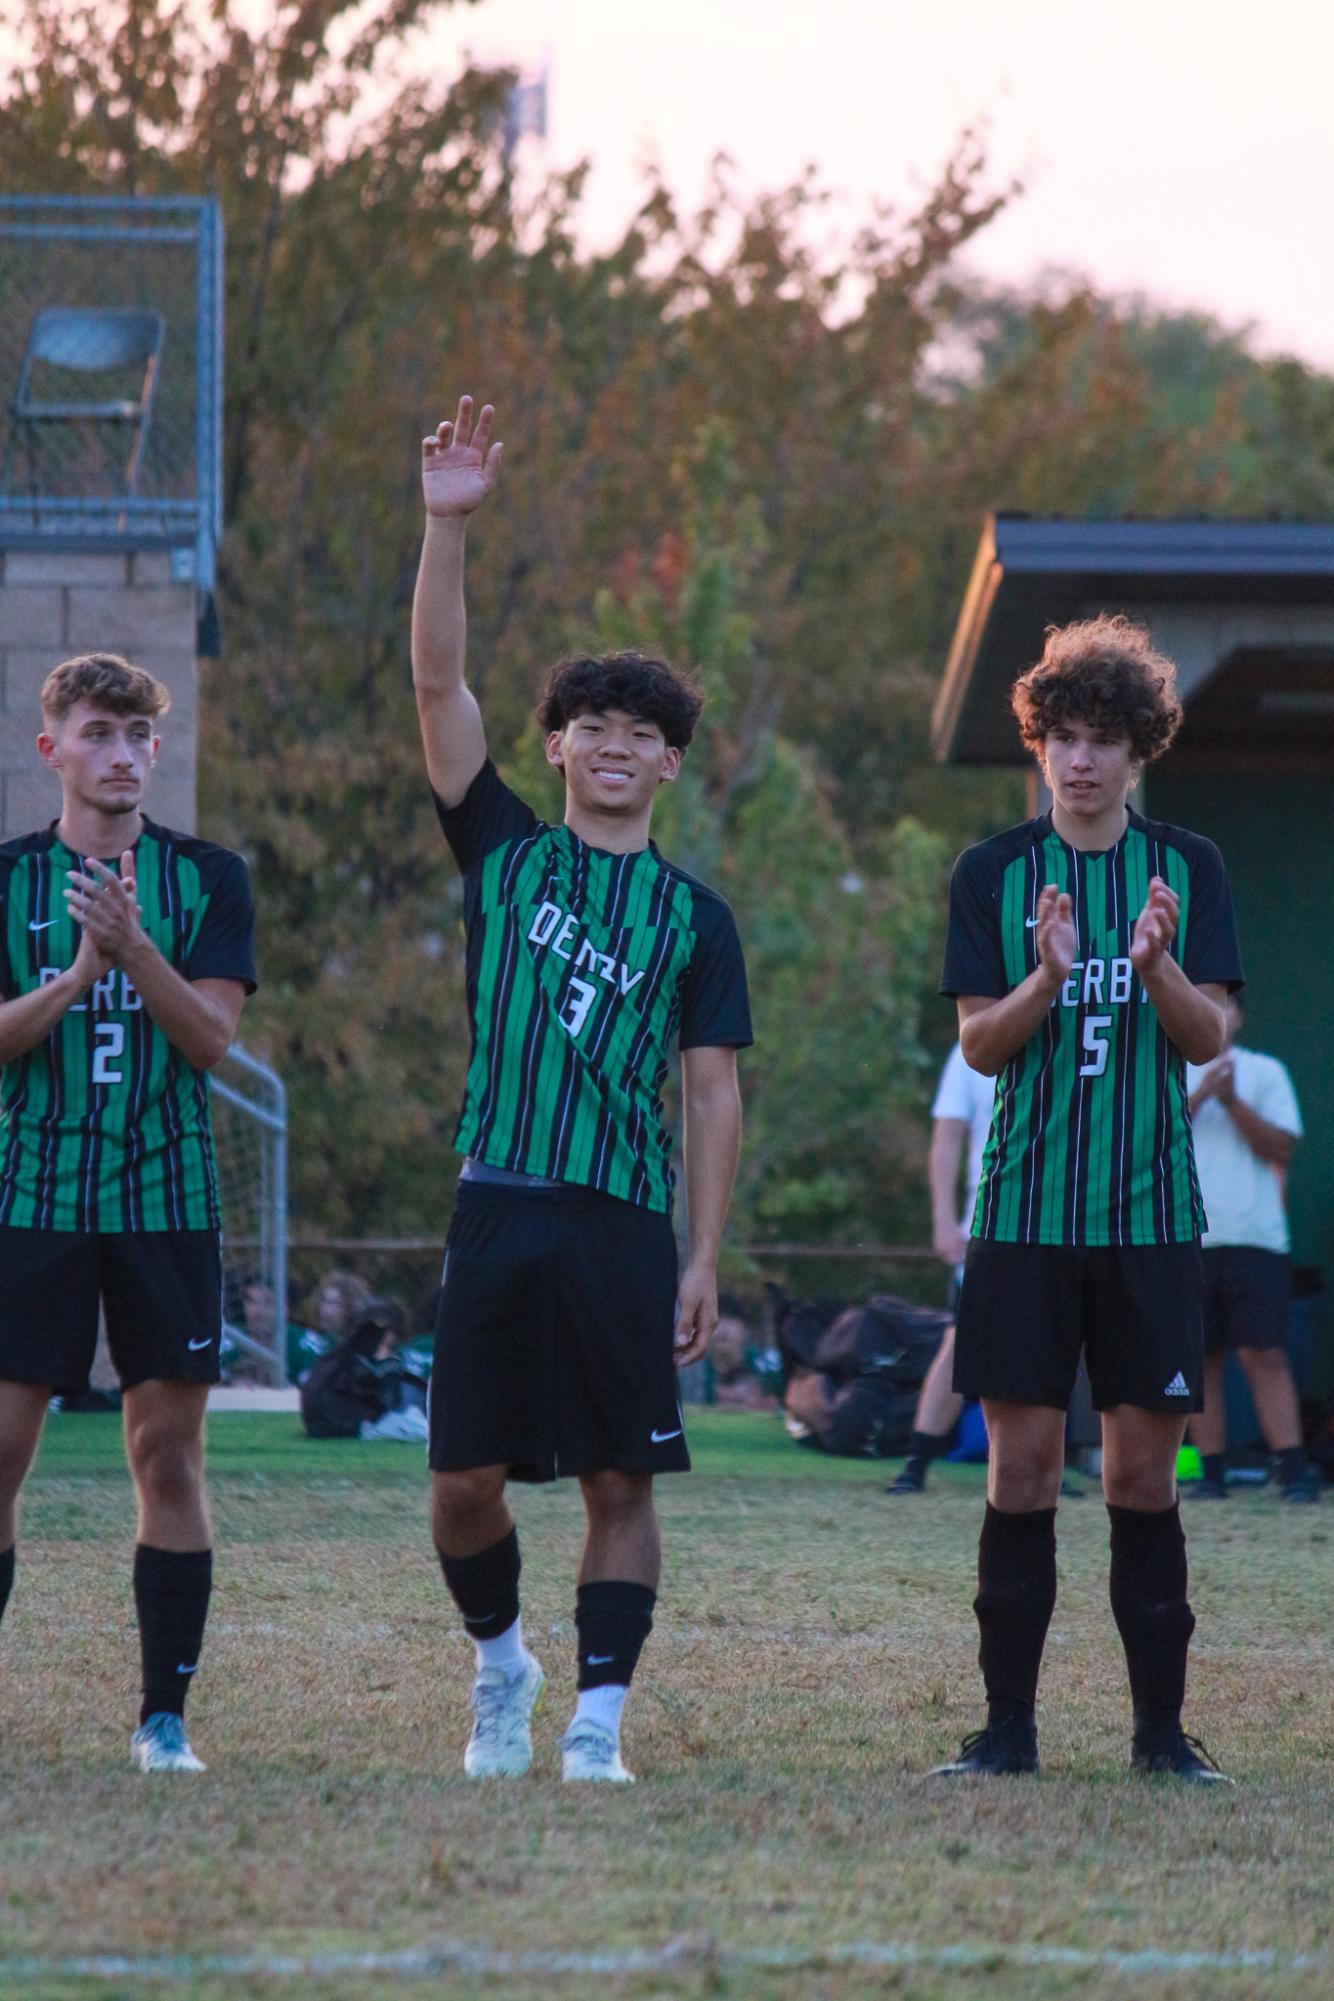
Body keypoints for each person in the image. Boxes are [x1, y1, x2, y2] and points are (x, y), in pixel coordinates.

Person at [412, 397, 751, 1784]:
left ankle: (597, 1724)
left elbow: (712, 1094)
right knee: (459, 1486)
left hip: (620, 1222)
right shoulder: (500, 855)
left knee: (623, 1481)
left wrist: (701, 1253)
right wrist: (444, 526)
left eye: (639, 731)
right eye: (589, 724)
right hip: (497, 1201)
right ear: (556, 748)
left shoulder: (694, 916)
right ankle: (501, 1668)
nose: (612, 742)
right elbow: (439, 691)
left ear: (668, 763)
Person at [934, 614, 1243, 1783]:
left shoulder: (1188, 867)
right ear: (1036, 744)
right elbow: (976, 1047)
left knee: (1135, 1479)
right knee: (1018, 1475)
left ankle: (1160, 1739)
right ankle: (1003, 1732)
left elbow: (1208, 1033)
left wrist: (1155, 965)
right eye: (1061, 735)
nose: (1080, 759)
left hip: (1150, 1223)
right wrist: (1048, 977)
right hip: (1020, 1222)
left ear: (1138, 750)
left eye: (1103, 738)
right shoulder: (992, 873)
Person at [0, 652, 256, 1773]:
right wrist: (72, 976)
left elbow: (210, 1041)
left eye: (136, 737)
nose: (119, 755)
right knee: (2, 1451)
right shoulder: (6, 880)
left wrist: (132, 944)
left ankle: (164, 1722)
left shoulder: (209, 878)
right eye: (97, 733)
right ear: (51, 748)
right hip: (32, 1198)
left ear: (155, 754)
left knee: (166, 1455)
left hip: (166, 1202)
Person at [1185, 998, 1317, 1502]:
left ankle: (1291, 1467)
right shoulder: (1171, 1071)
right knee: (1201, 1357)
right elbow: (1155, 1138)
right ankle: (1210, 1471)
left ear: (1239, 1014)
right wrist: (1201, 1096)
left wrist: (1233, 1100)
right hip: (1189, 1236)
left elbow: (1281, 1148)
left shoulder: (1266, 1072)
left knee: (1264, 1352)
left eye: (1223, 1005)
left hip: (1256, 1235)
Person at [887, 1042, 994, 1493]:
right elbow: (948, 1134)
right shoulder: (974, 1045)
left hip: (1067, 1226)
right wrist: (943, 1220)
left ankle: (1052, 1465)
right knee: (961, 1341)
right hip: (990, 1225)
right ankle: (916, 1463)